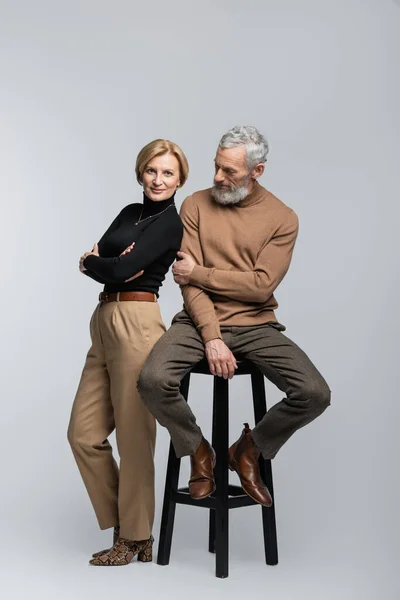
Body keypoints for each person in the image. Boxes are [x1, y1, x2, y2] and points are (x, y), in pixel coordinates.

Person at [138, 125, 331, 507]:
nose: (217, 178)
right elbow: (188, 284)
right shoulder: (193, 204)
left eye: (230, 171)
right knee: (152, 380)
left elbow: (260, 287)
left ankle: (248, 449)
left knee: (314, 393)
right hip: (197, 321)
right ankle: (198, 450)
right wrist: (210, 336)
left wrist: (201, 272)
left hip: (257, 325)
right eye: (216, 166)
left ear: (257, 171)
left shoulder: (282, 218)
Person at [67, 139, 187, 566]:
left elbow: (108, 265)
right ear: (141, 172)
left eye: (168, 173)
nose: (159, 180)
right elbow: (103, 260)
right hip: (103, 321)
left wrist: (102, 263)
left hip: (138, 322)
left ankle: (136, 537)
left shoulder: (170, 224)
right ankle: (128, 523)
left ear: (180, 179)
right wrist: (105, 262)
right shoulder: (128, 213)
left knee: (135, 437)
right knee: (83, 435)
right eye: (152, 171)